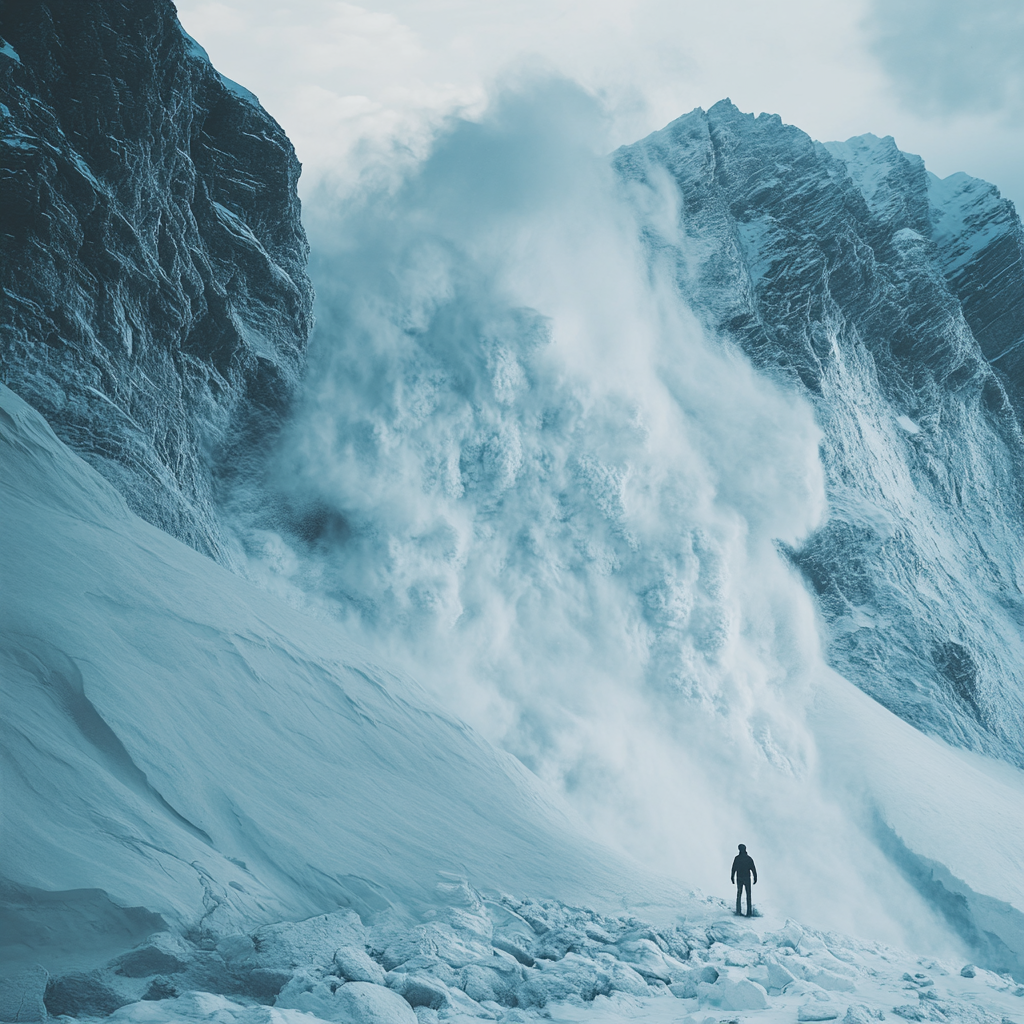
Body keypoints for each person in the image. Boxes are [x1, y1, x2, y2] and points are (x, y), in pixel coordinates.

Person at [731, 843, 757, 917]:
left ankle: (739, 911)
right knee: (746, 895)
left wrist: (732, 877)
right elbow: (753, 869)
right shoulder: (748, 858)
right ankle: (748, 912)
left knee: (740, 894)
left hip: (740, 877)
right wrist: (755, 877)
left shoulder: (738, 858)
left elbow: (734, 869)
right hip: (745, 878)